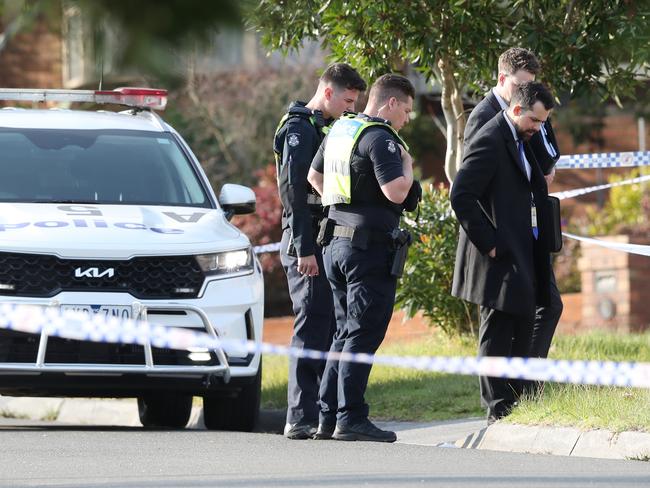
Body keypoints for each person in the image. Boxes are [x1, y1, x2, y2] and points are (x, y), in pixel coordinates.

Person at [308, 74, 420, 442]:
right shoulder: (381, 139)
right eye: (405, 110)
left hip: (335, 244)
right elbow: (396, 192)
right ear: (390, 103)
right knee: (363, 331)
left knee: (344, 332)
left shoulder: (341, 131)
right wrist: (407, 162)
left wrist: (345, 207)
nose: (406, 118)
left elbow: (314, 176)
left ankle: (327, 416)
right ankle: (351, 417)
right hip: (366, 250)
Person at [451, 81, 555, 424]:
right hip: (497, 252)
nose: (538, 129)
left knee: (525, 320)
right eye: (535, 122)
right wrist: (490, 241)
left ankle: (516, 400)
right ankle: (497, 406)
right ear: (515, 110)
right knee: (497, 328)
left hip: (523, 244)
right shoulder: (490, 138)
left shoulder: (523, 139)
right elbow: (461, 194)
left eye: (543, 123)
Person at [273, 63, 367, 440]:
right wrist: (304, 249)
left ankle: (324, 414)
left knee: (330, 326)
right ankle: (300, 416)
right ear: (328, 92)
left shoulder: (331, 126)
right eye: (347, 99)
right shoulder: (298, 128)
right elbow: (293, 193)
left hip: (328, 239)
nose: (350, 107)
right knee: (311, 327)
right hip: (306, 243)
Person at [464, 47, 563, 362]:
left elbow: (547, 157)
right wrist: (491, 241)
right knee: (503, 317)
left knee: (544, 304)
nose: (524, 90)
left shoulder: (529, 109)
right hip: (501, 235)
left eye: (530, 83)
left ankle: (525, 386)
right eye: (519, 83)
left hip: (528, 230)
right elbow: (470, 187)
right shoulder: (484, 117)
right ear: (502, 77)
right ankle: (514, 392)